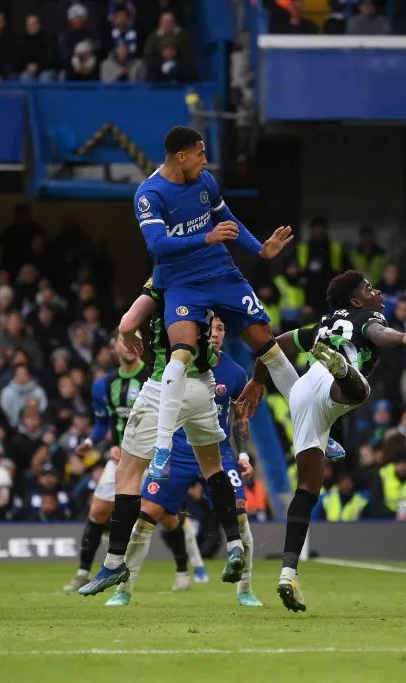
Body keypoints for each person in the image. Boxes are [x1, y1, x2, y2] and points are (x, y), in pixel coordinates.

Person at [237, 270, 406, 612]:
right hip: (333, 387)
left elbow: (276, 345)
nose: (377, 290)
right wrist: (403, 338)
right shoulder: (368, 315)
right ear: (356, 301)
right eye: (369, 288)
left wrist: (257, 380)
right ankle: (344, 372)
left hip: (300, 392)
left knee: (307, 488)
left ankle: (288, 573)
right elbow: (377, 333)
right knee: (359, 392)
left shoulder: (323, 324)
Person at [133, 126, 296, 484]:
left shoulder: (204, 181)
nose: (205, 160)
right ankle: (162, 449)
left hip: (221, 273)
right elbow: (158, 247)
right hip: (181, 283)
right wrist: (205, 237)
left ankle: (313, 425)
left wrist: (260, 249)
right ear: (181, 156)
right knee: (182, 353)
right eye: (200, 153)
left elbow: (228, 219)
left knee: (267, 344)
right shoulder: (150, 194)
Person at [78, 280, 244, 596]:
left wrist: (128, 337)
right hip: (202, 386)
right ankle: (235, 543)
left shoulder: (162, 278)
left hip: (164, 385)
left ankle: (114, 563)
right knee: (213, 468)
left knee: (128, 471)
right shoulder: (209, 278)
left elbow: (128, 323)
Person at [106, 316, 263, 607]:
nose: (214, 334)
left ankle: (245, 590)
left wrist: (242, 454)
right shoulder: (173, 366)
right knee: (146, 515)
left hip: (216, 453)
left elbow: (240, 418)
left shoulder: (236, 373)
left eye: (220, 328)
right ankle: (123, 590)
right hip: (177, 454)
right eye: (210, 329)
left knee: (240, 513)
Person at [63, 332, 149, 592]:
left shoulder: (153, 379)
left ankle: (185, 569)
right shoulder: (103, 385)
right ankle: (83, 572)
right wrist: (91, 443)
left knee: (163, 517)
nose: (131, 346)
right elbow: (104, 423)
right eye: (125, 341)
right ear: (113, 348)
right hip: (121, 456)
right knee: (98, 511)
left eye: (137, 340)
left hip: (152, 455)